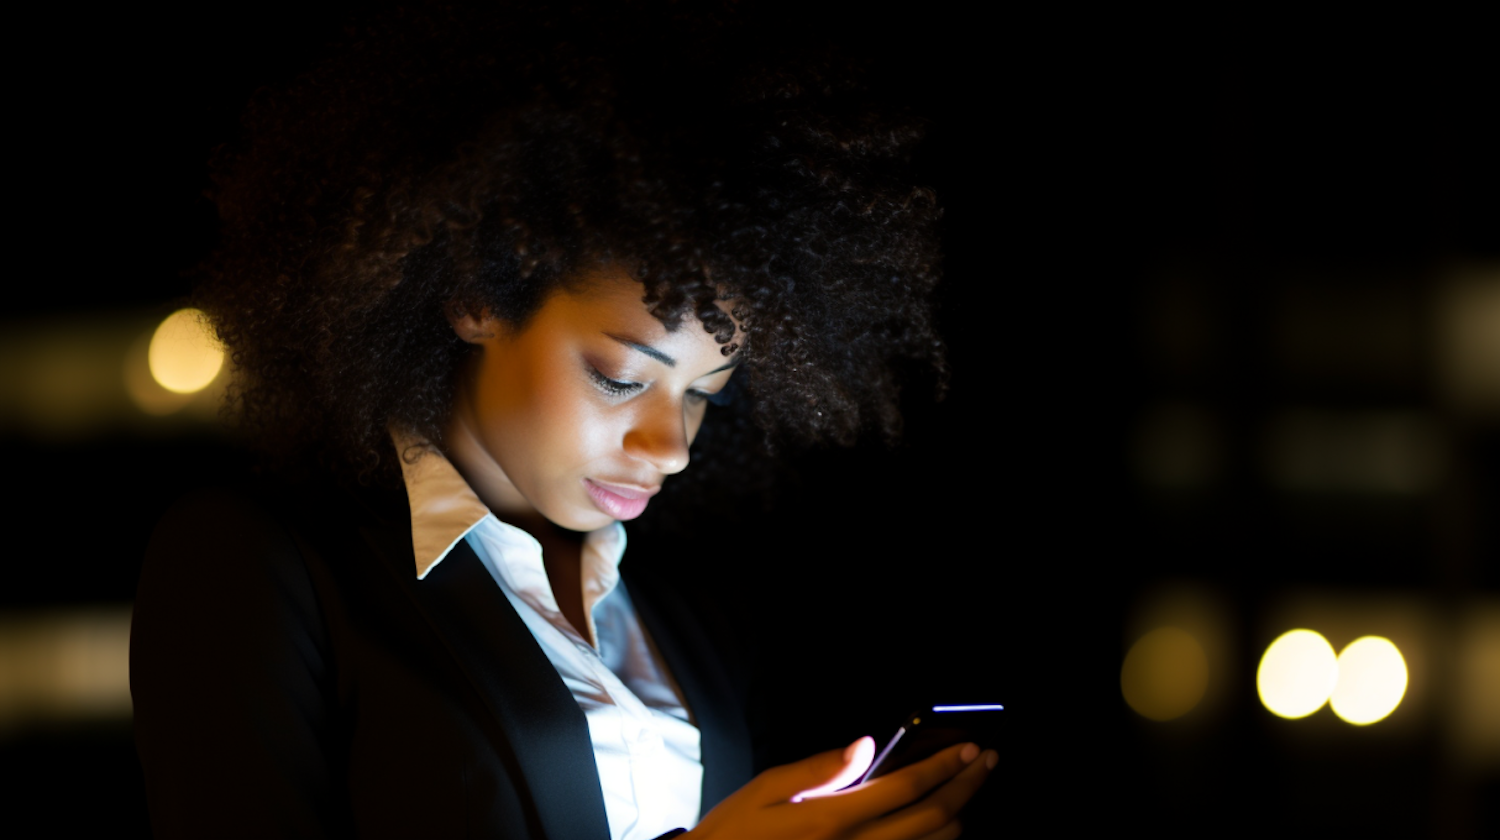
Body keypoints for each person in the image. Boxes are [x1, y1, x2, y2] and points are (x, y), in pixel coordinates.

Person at [130, 5, 995, 838]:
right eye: (621, 378)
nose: (673, 448)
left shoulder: (684, 610)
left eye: (704, 394)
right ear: (476, 294)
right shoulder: (256, 564)